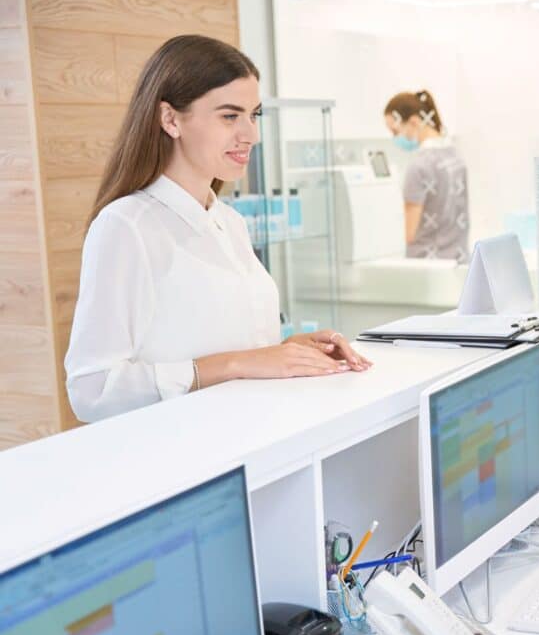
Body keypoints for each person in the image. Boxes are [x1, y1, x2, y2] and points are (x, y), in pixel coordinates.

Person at [65, 35, 372, 424]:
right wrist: (238, 363)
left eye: (254, 115)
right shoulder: (126, 226)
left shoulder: (229, 221)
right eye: (230, 116)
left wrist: (285, 352)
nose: (251, 135)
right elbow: (91, 390)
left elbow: (216, 344)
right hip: (184, 458)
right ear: (170, 119)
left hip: (251, 436)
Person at [383, 90, 469, 261]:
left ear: (414, 122)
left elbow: (409, 234)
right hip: (457, 262)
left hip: (426, 269)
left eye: (395, 131)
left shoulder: (419, 167)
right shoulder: (455, 156)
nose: (394, 138)